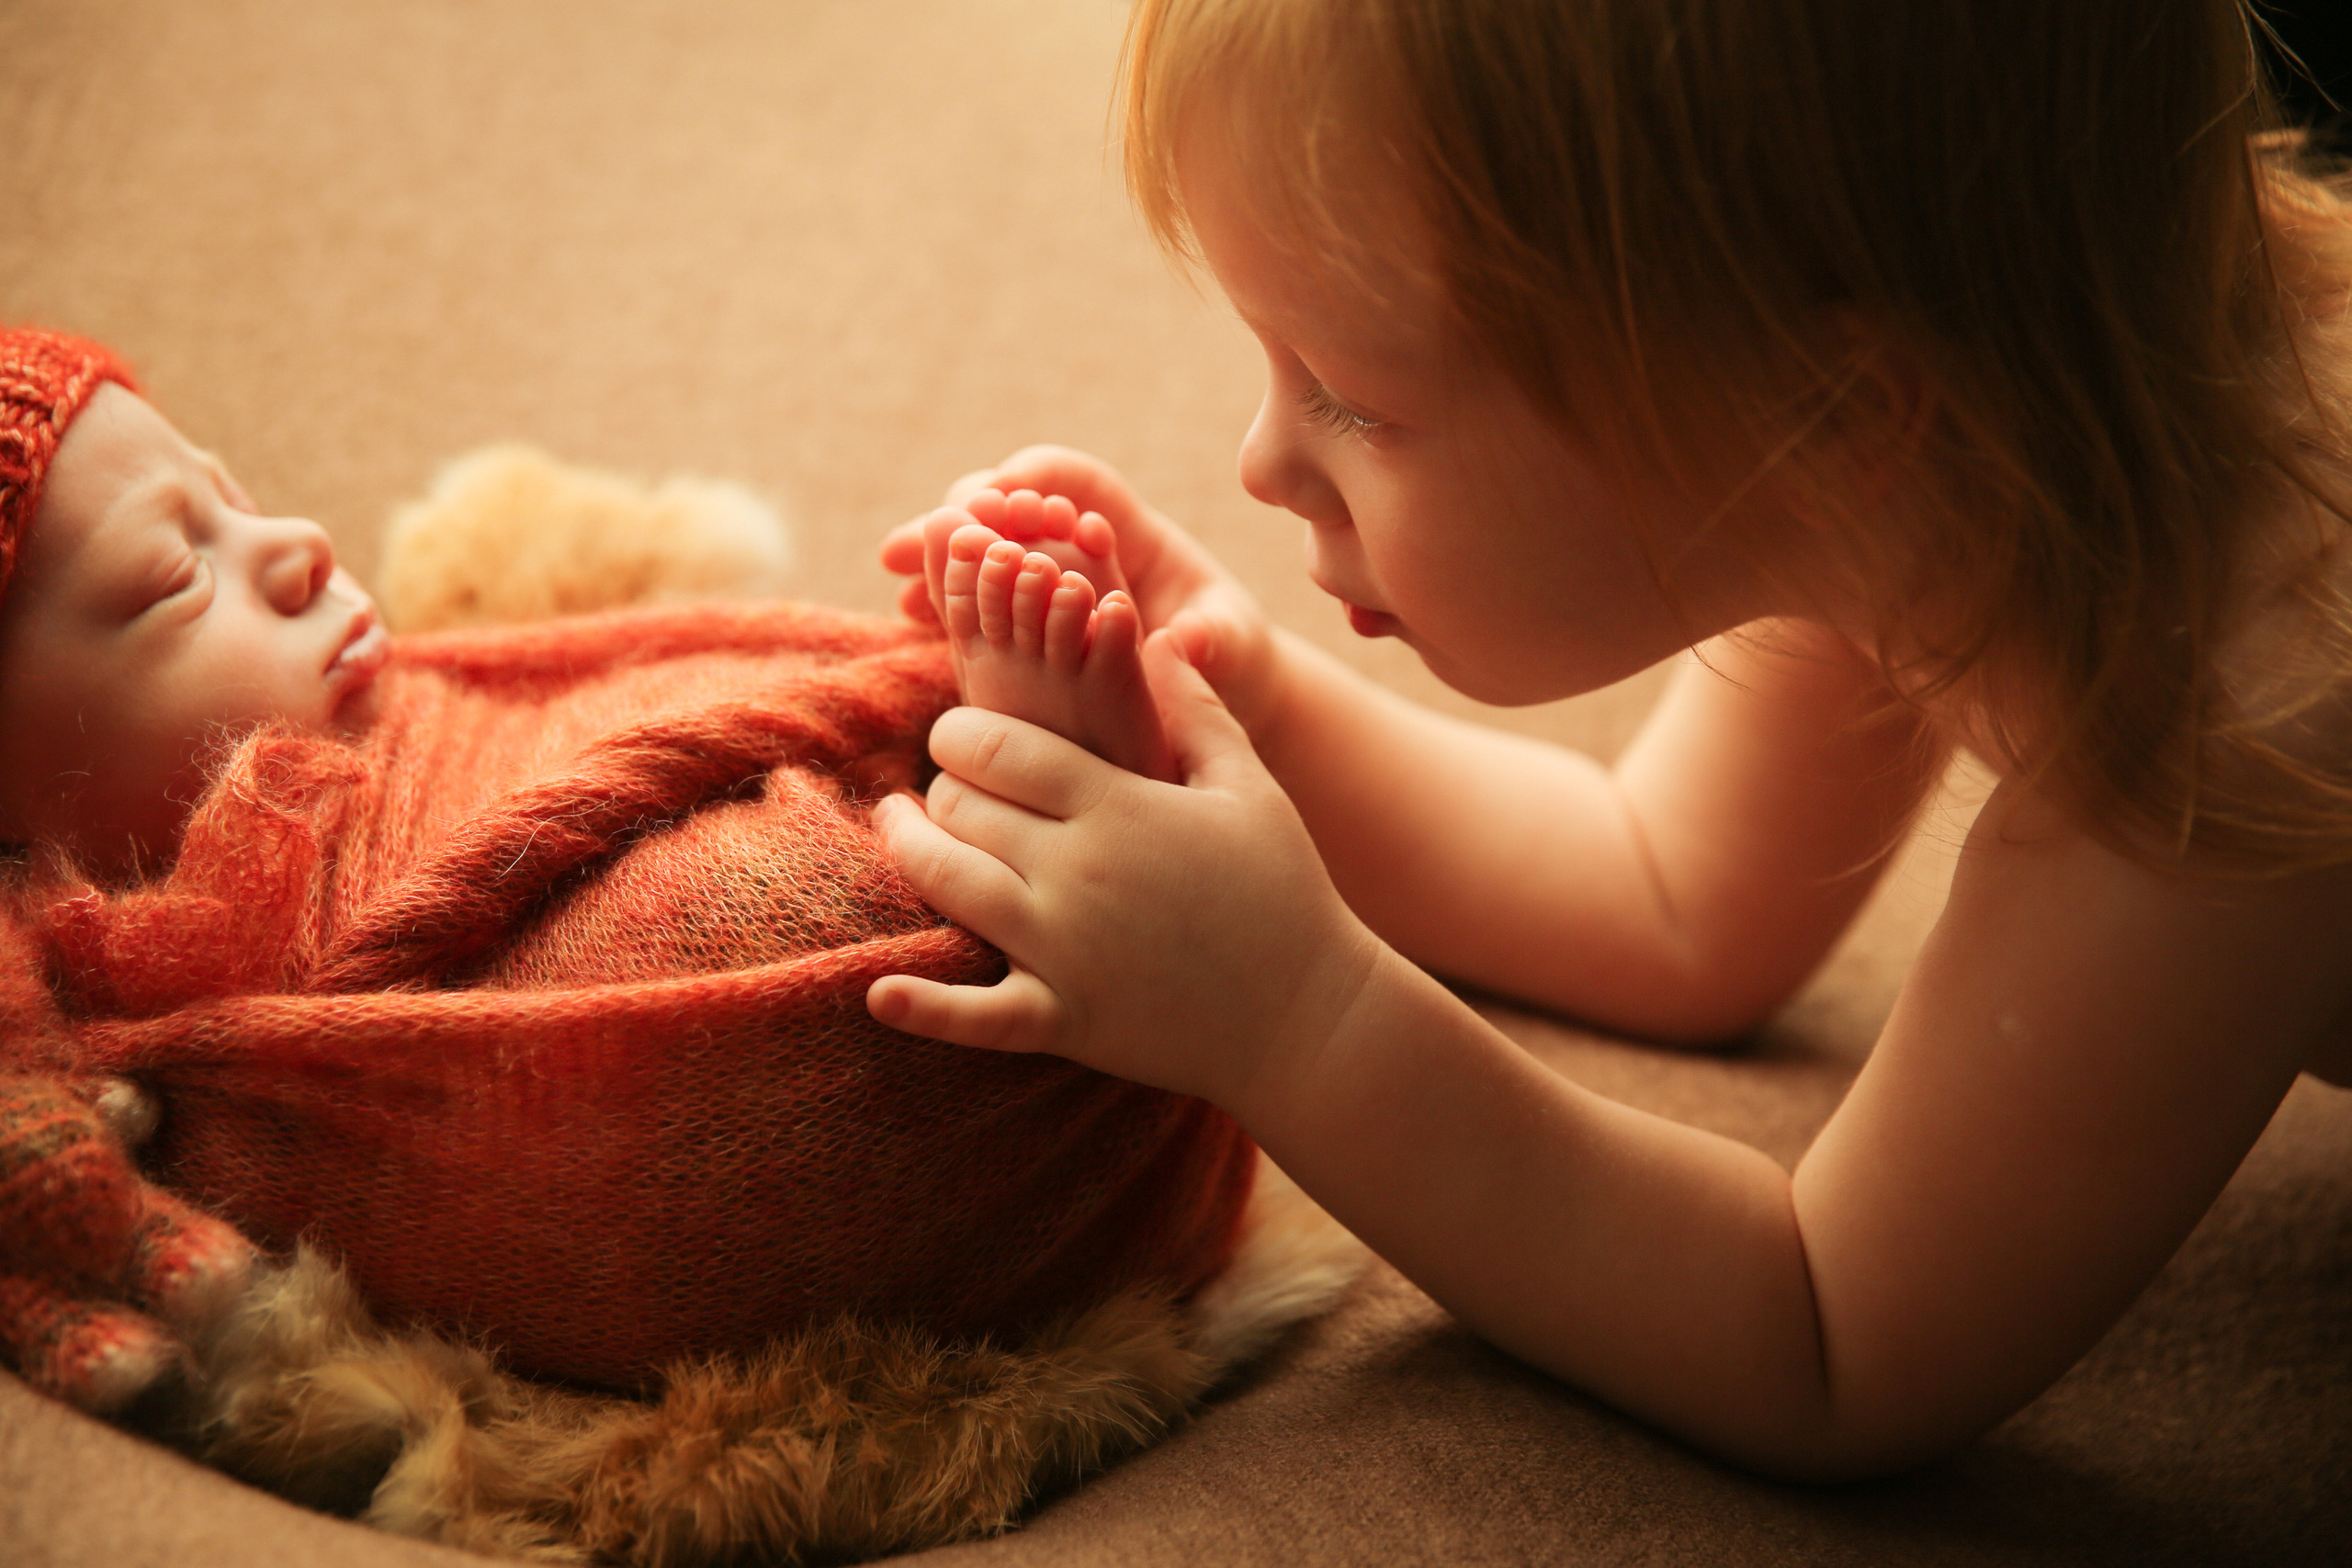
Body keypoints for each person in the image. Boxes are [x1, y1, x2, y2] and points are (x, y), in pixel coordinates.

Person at [865, 0, 2352, 1480]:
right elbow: (1673, 899)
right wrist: (1249, 701)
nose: (1261, 463)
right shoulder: (1935, 453)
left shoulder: (2225, 737)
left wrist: (1286, 1015)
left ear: (1829, 417)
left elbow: (1830, 1342)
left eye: (1352, 400)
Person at [0, 325, 1254, 1416]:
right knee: (721, 935)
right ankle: (1034, 806)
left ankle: (1012, 779)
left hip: (599, 804)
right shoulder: (92, 1004)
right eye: (176, 574)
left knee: (698, 712)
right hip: (775, 1108)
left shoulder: (398, 686)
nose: (298, 545)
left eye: (234, 496)